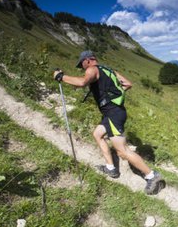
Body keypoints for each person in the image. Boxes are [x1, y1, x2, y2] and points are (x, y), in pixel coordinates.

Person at [53, 50, 164, 195]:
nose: (83, 68)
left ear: (87, 60)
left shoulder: (92, 69)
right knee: (97, 134)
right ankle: (111, 168)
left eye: (82, 65)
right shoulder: (109, 70)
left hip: (113, 114)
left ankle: (151, 176)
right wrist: (114, 95)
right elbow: (128, 84)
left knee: (122, 151)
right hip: (114, 112)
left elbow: (82, 82)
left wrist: (61, 77)